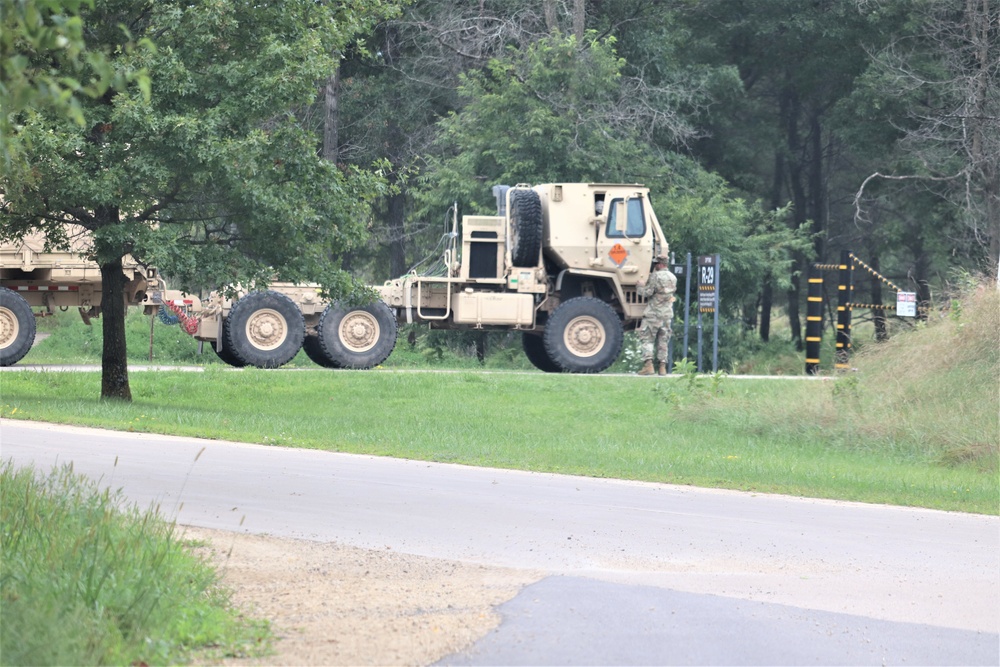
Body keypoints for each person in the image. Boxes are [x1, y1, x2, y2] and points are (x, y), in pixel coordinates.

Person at [636, 254, 677, 376]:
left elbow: (647, 292)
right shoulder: (673, 277)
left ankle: (649, 366)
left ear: (659, 264)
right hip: (667, 315)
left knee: (647, 339)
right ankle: (662, 368)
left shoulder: (655, 276)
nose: (654, 266)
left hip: (653, 314)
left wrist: (639, 286)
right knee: (663, 341)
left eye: (655, 264)